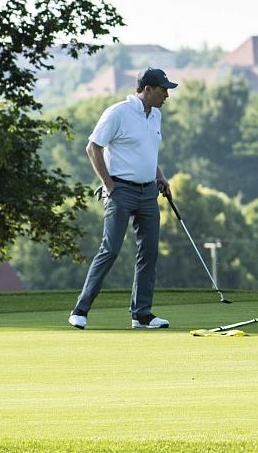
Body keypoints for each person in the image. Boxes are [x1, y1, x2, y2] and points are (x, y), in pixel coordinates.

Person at [69, 68, 178, 330]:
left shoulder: (156, 116)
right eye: (163, 90)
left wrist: (159, 175)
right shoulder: (118, 113)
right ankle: (80, 310)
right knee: (111, 249)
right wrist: (108, 184)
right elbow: (93, 146)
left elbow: (147, 153)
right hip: (121, 191)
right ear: (147, 89)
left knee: (149, 251)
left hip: (148, 192)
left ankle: (141, 314)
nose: (166, 95)